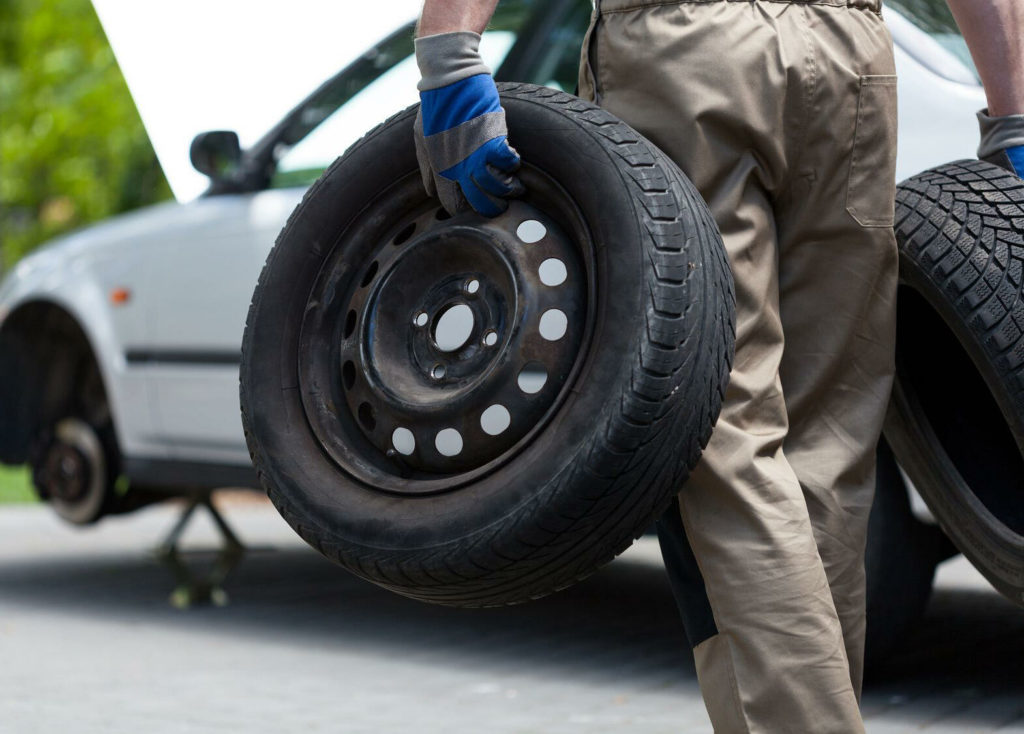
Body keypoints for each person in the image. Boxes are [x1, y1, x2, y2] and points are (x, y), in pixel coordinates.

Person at [412, 0, 1024, 731]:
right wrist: (1012, 112)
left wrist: (448, 50)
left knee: (717, 426)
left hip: (688, 48)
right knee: (828, 438)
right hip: (848, 55)